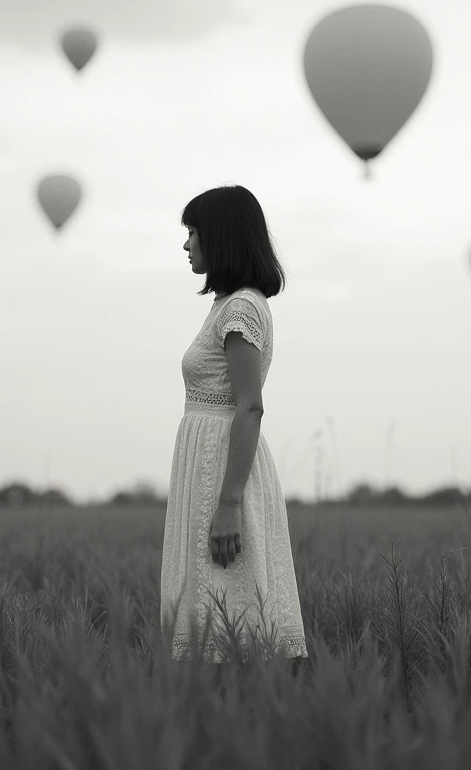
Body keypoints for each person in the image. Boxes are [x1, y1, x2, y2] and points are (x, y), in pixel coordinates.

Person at [160, 184, 308, 668]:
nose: (186, 245)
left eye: (193, 233)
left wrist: (228, 504)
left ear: (219, 237)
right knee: (214, 616)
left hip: (224, 475)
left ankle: (237, 723)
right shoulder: (229, 306)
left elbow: (249, 407)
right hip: (209, 471)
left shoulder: (241, 308)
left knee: (227, 621)